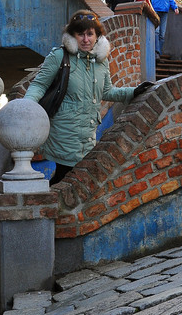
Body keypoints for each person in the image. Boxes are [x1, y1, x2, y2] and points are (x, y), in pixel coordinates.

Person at [25, 10, 152, 185]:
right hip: (65, 132)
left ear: (97, 35)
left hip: (88, 135)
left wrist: (133, 92)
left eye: (90, 34)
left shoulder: (101, 61)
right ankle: (47, 209)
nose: (86, 39)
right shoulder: (59, 56)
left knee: (74, 182)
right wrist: (27, 106)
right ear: (72, 36)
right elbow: (39, 85)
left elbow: (107, 92)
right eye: (80, 34)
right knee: (67, 179)